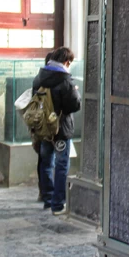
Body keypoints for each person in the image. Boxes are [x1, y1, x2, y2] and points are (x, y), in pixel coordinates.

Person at [32, 46, 81, 215]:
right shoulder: (65, 80)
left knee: (46, 163)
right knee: (61, 166)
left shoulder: (40, 77)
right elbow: (74, 105)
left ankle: (47, 198)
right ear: (67, 62)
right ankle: (58, 204)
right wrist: (75, 92)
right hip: (61, 130)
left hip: (44, 128)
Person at [36, 51, 53, 205]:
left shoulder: (39, 78)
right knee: (48, 161)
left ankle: (44, 192)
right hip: (50, 127)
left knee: (43, 160)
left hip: (40, 126)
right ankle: (49, 195)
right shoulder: (52, 80)